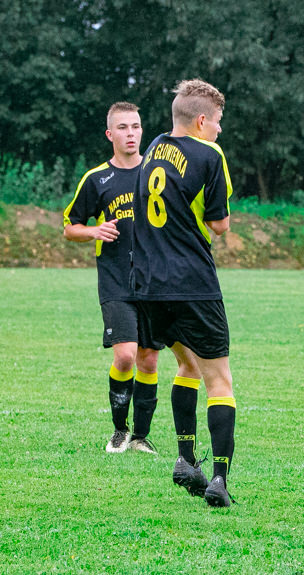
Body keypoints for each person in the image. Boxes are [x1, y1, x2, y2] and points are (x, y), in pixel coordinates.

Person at [131, 79, 236, 507]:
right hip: (193, 281)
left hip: (150, 285)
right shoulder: (210, 154)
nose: (219, 132)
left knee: (187, 364)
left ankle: (184, 458)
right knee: (220, 380)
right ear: (200, 120)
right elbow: (219, 225)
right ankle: (220, 480)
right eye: (217, 123)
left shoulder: (154, 146)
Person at [63, 102, 164, 455]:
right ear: (110, 134)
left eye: (136, 126)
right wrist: (93, 231)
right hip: (116, 281)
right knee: (125, 357)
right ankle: (120, 430)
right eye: (123, 127)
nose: (131, 133)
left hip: (154, 281)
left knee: (149, 359)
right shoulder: (96, 179)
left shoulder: (157, 175)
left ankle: (140, 436)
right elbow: (69, 228)